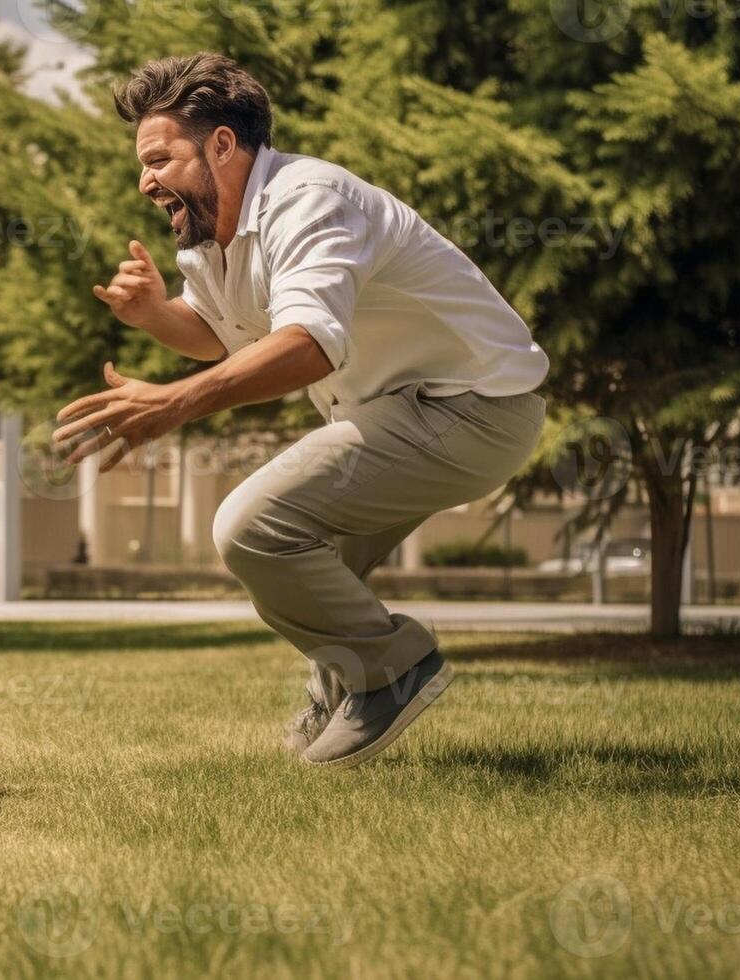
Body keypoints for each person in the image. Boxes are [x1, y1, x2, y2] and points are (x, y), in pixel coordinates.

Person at [55, 53, 548, 768]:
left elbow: (307, 345)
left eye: (159, 157)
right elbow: (227, 333)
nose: (145, 180)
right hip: (400, 411)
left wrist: (173, 403)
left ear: (221, 144)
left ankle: (391, 670)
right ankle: (349, 691)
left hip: (471, 408)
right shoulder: (209, 231)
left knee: (251, 527)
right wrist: (158, 315)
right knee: (314, 558)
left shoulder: (308, 200)